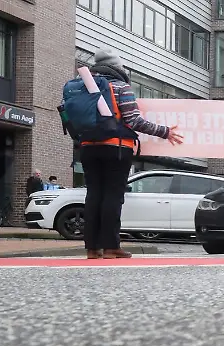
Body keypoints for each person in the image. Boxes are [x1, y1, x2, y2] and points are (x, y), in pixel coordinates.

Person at [71, 49, 183, 259]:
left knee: (93, 195)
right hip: (116, 148)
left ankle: (92, 248)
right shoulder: (120, 87)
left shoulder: (83, 86)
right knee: (113, 196)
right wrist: (165, 132)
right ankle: (111, 247)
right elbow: (133, 121)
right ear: (117, 67)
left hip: (87, 147)